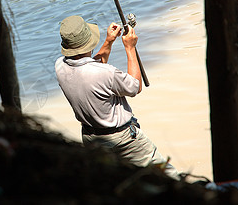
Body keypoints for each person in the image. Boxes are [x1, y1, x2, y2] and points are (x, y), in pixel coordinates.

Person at [55, 15, 179, 179]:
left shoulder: (59, 66)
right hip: (124, 140)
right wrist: (130, 48)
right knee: (166, 175)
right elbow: (135, 87)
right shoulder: (106, 73)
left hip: (91, 139)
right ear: (88, 42)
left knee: (118, 180)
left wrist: (108, 42)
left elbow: (92, 68)